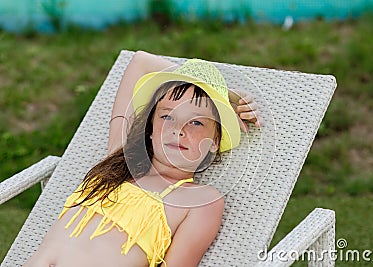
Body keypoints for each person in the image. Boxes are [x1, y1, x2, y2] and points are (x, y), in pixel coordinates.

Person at [23, 51, 263, 267]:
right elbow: (140, 61)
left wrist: (217, 96)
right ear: (149, 129)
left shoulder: (199, 201)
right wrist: (225, 94)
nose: (178, 129)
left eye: (196, 122)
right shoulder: (118, 161)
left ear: (214, 143)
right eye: (167, 117)